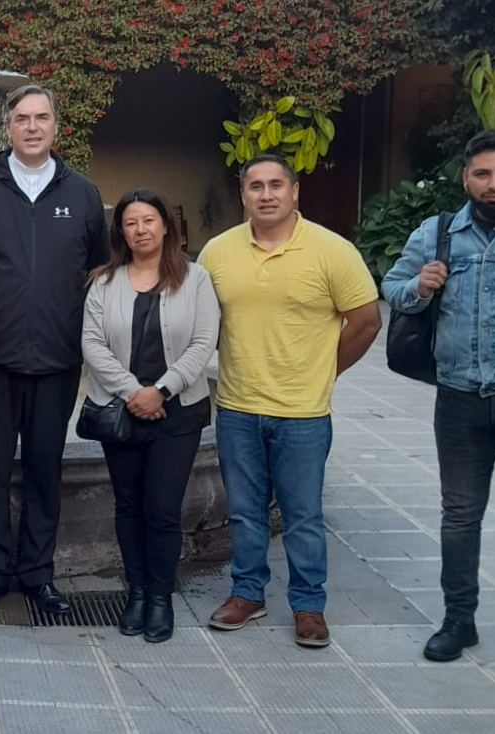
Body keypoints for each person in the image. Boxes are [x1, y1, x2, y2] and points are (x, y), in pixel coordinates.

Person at [0, 84, 108, 617]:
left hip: (57, 362)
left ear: (56, 126)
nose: (32, 127)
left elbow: (98, 270)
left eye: (41, 118)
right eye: (21, 119)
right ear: (7, 126)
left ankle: (37, 574)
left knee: (43, 470)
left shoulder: (81, 193)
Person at [198, 154, 380, 648]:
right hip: (236, 406)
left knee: (302, 515)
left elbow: (366, 321)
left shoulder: (331, 250)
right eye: (255, 186)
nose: (266, 194)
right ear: (243, 195)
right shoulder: (218, 252)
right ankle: (247, 593)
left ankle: (308, 605)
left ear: (295, 191)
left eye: (276, 184)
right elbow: (200, 323)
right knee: (245, 510)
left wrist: (326, 369)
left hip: (302, 413)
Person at [382, 129, 495, 666]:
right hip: (459, 401)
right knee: (460, 516)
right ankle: (459, 621)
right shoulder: (437, 233)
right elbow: (391, 288)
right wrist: (419, 286)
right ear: (465, 176)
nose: (493, 184)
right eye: (483, 174)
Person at [81, 190, 219, 643]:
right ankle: (136, 592)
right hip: (121, 411)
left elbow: (203, 343)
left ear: (165, 226)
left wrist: (160, 390)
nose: (140, 230)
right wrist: (133, 392)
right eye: (130, 223)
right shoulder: (103, 282)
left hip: (176, 414)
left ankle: (161, 598)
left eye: (148, 221)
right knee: (129, 506)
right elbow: (92, 345)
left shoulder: (195, 278)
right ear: (120, 231)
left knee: (162, 510)